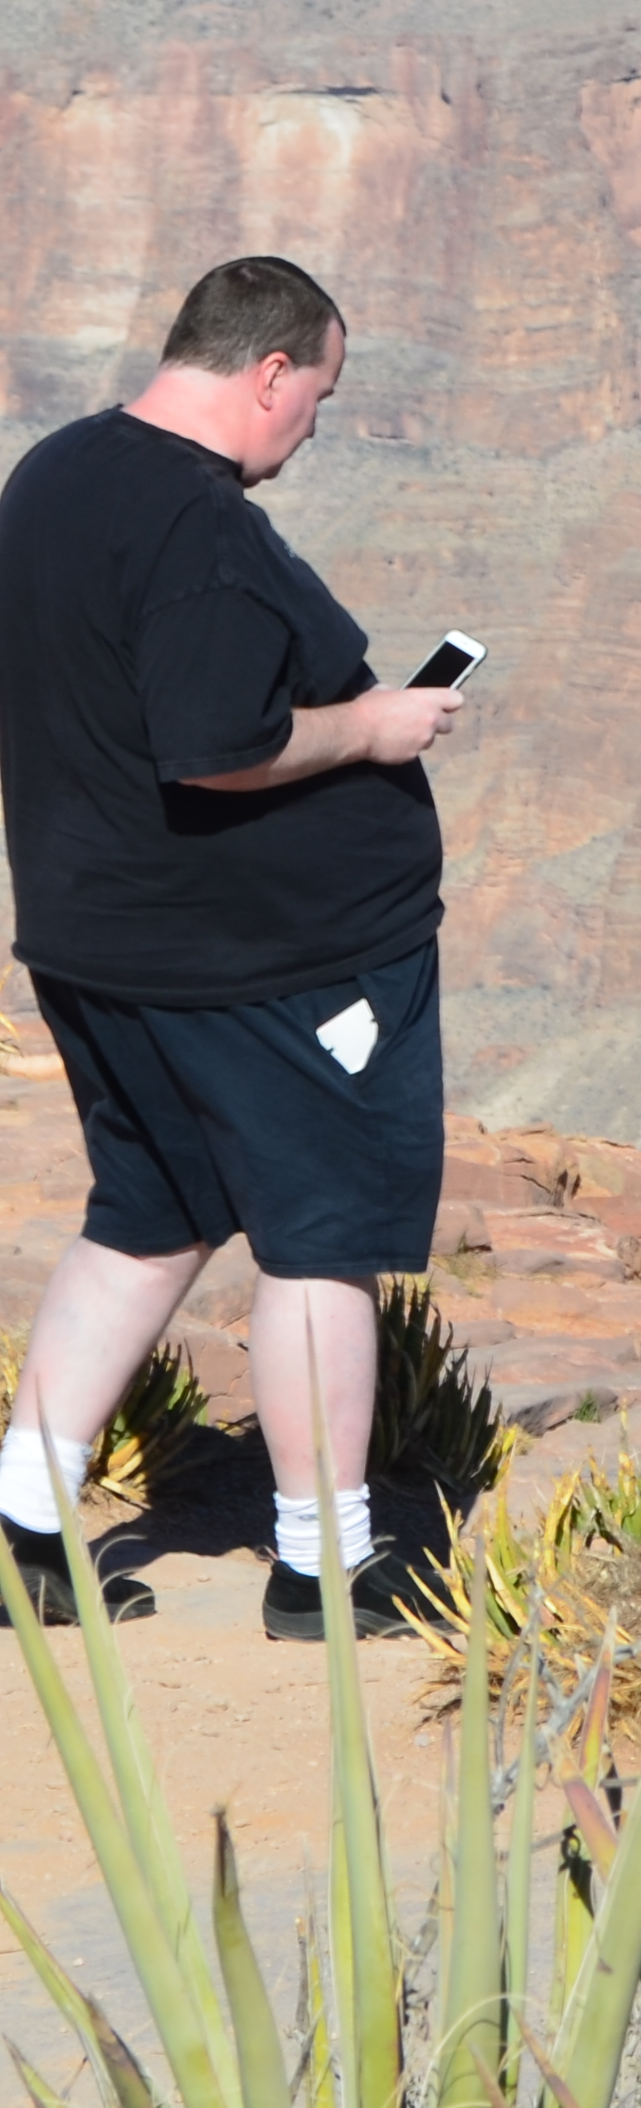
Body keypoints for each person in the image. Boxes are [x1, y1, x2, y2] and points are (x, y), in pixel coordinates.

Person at [0, 256, 462, 1639]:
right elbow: (218, 750)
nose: (313, 425)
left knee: (148, 1218)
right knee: (322, 1236)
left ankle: (24, 1521)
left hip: (99, 939)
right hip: (258, 965)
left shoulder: (57, 475)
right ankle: (322, 1567)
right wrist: (375, 729)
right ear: (267, 373)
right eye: (315, 396)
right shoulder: (199, 537)